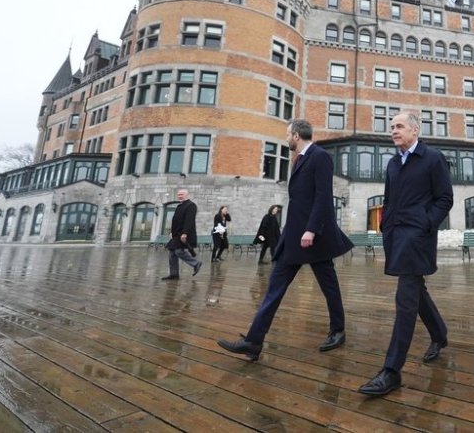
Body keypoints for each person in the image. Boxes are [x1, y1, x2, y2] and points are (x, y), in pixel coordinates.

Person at [218, 119, 354, 360]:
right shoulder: (299, 158)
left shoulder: (319, 156)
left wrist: (311, 230)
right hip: (294, 237)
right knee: (274, 287)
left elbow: (323, 197)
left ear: (297, 135)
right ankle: (253, 341)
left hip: (314, 237)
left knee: (329, 286)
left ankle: (338, 330)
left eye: (288, 134)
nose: (286, 138)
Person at [359, 112, 453, 397]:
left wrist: (426, 223)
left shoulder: (432, 158)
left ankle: (391, 370)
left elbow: (445, 198)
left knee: (405, 298)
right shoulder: (392, 163)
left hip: (417, 238)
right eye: (392, 127)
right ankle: (439, 334)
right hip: (396, 237)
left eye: (399, 126)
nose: (393, 131)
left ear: (415, 130)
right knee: (416, 291)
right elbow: (389, 200)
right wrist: (386, 226)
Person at [162, 189, 202, 280]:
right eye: (179, 194)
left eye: (182, 194)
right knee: (172, 253)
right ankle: (174, 274)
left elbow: (189, 220)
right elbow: (175, 221)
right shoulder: (179, 206)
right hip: (176, 234)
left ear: (187, 195)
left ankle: (195, 263)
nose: (180, 196)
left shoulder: (191, 205)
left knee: (178, 251)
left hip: (183, 234)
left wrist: (185, 233)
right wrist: (172, 232)